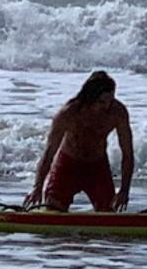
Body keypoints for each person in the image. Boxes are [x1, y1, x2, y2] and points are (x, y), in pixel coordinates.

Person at [23, 70, 134, 212]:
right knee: (52, 210)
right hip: (67, 165)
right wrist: (37, 187)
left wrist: (124, 190)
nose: (106, 106)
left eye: (110, 101)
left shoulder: (117, 113)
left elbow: (128, 154)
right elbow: (49, 152)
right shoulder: (68, 113)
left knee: (107, 213)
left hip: (97, 167)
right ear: (90, 97)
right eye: (102, 102)